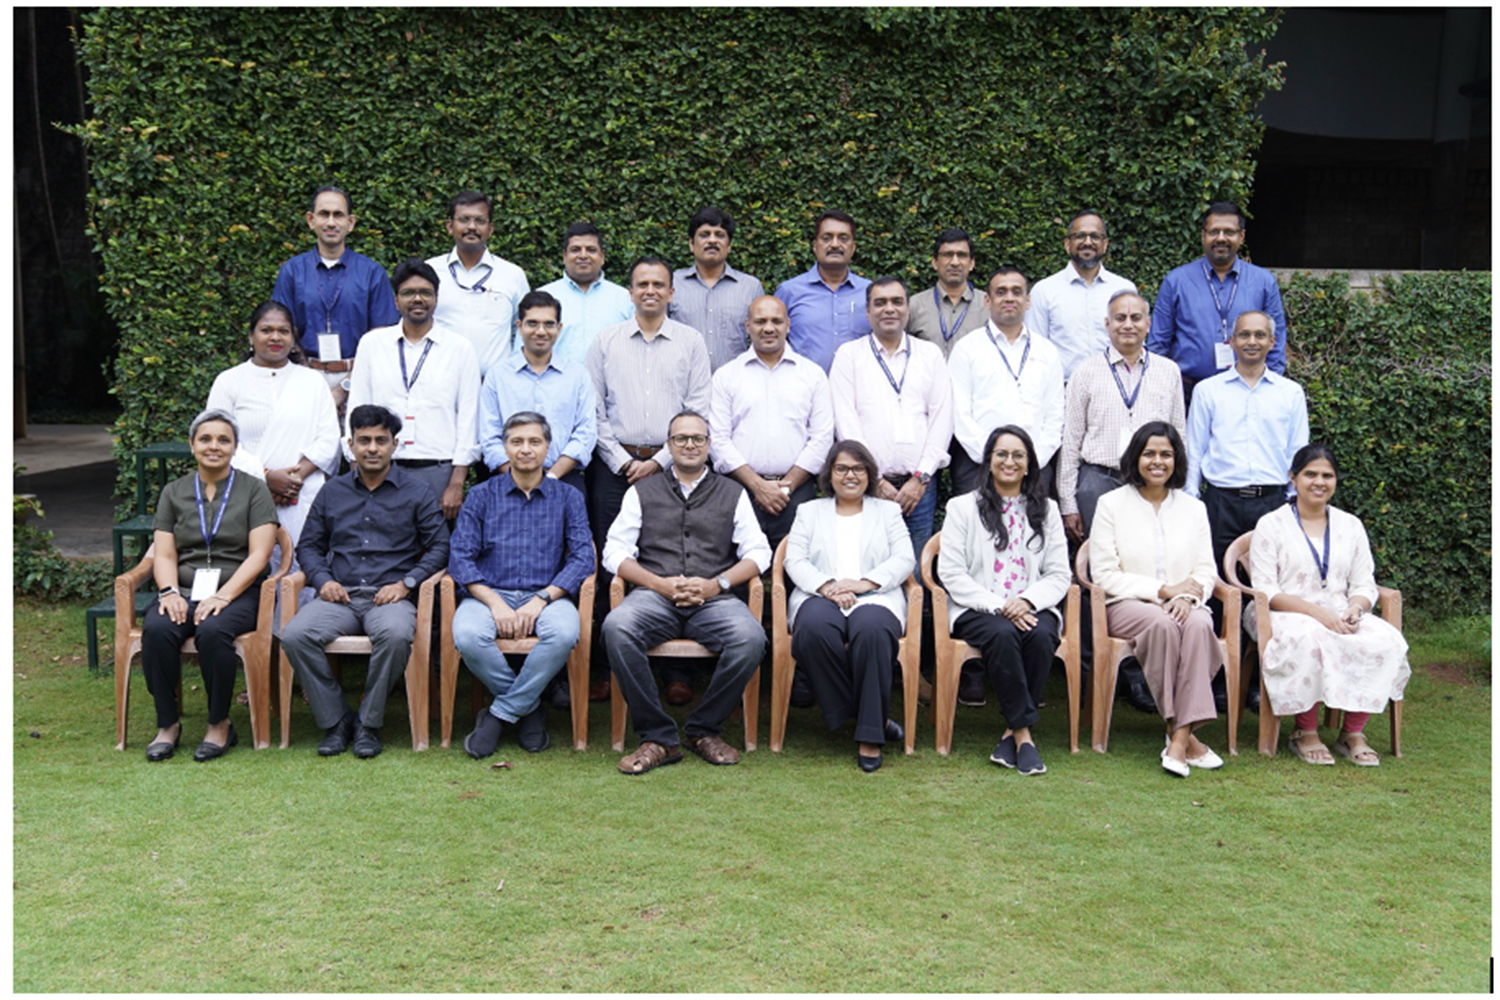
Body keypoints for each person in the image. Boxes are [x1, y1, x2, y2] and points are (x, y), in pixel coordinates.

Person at [601, 411, 771, 774]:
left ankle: (703, 729)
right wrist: (658, 583)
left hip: (715, 599)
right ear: (669, 445)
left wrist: (717, 584)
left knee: (750, 638)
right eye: (681, 438)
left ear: (709, 445)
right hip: (654, 596)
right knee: (617, 628)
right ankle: (657, 736)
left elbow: (759, 552)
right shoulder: (641, 491)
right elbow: (614, 551)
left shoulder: (732, 491)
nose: (690, 445)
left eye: (697, 438)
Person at [279, 405, 451, 759]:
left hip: (391, 598)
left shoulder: (416, 492)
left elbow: (439, 546)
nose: (372, 448)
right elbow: (309, 545)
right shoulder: (332, 492)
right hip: (338, 596)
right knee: (296, 636)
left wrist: (407, 583)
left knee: (396, 635)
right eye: (364, 441)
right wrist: (323, 580)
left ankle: (368, 724)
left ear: (394, 445)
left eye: (381, 441)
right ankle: (336, 720)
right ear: (350, 445)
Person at [585, 257, 711, 702]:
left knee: (677, 556)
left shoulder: (691, 342)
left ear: (672, 293)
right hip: (614, 468)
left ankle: (678, 673)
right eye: (642, 284)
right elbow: (593, 410)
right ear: (631, 291)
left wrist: (659, 461)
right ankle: (604, 666)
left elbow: (698, 406)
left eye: (660, 284)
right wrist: (622, 462)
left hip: (675, 467)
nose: (651, 291)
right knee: (609, 563)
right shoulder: (605, 342)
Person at [1057, 289, 1185, 714]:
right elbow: (1070, 441)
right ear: (1107, 325)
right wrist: (1068, 501)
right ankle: (1098, 668)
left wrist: (1177, 493)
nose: (1128, 324)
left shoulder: (1167, 372)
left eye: (1136, 317)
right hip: (1098, 480)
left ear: (1148, 324)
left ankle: (1144, 672)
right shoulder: (1086, 373)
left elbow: (1178, 437)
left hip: (1150, 485)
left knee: (1146, 568)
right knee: (1096, 576)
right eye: (1119, 318)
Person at [1248, 444, 1410, 767]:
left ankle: (1352, 733)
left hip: (1340, 609)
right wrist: (1319, 614)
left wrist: (1356, 608)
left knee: (1385, 640)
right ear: (1293, 478)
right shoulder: (1271, 524)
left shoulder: (1351, 525)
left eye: (1327, 475)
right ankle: (1305, 732)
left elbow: (1365, 582)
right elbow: (1265, 589)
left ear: (1336, 481)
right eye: (1310, 474)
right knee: (1312, 639)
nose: (1318, 482)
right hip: (1280, 612)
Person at [1185, 307, 1309, 712]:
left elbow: (1299, 453)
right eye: (1244, 335)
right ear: (1232, 342)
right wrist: (1192, 505)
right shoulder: (1209, 391)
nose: (1252, 342)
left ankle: (1261, 680)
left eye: (1260, 335)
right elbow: (1194, 449)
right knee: (1218, 593)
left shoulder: (1290, 393)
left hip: (1273, 504)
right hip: (1220, 501)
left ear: (1272, 343)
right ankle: (1218, 680)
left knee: (1267, 591)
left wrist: (1294, 507)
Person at [450, 412, 594, 758]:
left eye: (534, 441)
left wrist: (542, 599)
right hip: (488, 594)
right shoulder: (482, 496)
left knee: (563, 633)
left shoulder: (569, 497)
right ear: (505, 448)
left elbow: (582, 559)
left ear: (548, 447)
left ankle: (500, 713)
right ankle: (528, 709)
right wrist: (495, 604)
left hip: (546, 595)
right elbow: (461, 559)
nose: (525, 449)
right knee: (468, 636)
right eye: (517, 442)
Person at [139, 409, 278, 762]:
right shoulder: (173, 492)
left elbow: (260, 555)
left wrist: (223, 595)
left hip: (239, 592)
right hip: (184, 589)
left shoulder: (254, 489)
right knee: (156, 628)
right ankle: (167, 724)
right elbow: (165, 554)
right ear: (192, 445)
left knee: (214, 630)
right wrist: (169, 592)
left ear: (234, 447)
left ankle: (219, 724)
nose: (213, 446)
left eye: (223, 439)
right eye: (205, 439)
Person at [1090, 422, 1225, 778]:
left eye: (1166, 454)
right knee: (1163, 622)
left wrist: (1187, 597)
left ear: (1176, 459)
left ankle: (1178, 739)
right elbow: (1104, 574)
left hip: (1185, 603)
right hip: (1126, 604)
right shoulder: (1110, 504)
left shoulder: (1194, 508)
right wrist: (1164, 591)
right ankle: (1184, 737)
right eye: (1149, 453)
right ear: (1135, 457)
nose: (1157, 461)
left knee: (1197, 623)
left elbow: (1205, 570)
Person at [937, 426, 1070, 776]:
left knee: (1042, 635)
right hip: (977, 607)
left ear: (1029, 464)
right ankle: (1024, 735)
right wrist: (999, 605)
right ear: (989, 461)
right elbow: (951, 573)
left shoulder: (1048, 510)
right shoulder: (962, 508)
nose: (1009, 461)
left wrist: (1026, 600)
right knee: (1002, 633)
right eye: (1001, 454)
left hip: (1032, 606)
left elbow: (1059, 574)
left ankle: (1011, 732)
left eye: (1018, 455)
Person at [784, 440, 914, 772]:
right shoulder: (809, 511)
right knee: (813, 632)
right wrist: (827, 587)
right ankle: (872, 718)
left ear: (869, 474)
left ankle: (870, 737)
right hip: (819, 594)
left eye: (858, 468)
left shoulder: (888, 511)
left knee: (871, 632)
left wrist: (863, 584)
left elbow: (904, 559)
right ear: (830, 474)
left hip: (875, 595)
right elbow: (794, 560)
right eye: (842, 468)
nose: (850, 475)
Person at [828, 276, 953, 564]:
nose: (889, 309)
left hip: (920, 486)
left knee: (917, 567)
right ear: (868, 311)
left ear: (908, 309)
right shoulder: (849, 355)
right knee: (866, 562)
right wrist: (874, 478)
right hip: (866, 485)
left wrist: (921, 478)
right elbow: (845, 420)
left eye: (897, 302)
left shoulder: (929, 355)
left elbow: (942, 419)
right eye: (880, 303)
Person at [346, 258, 481, 522]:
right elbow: (357, 409)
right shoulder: (372, 344)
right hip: (381, 466)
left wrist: (457, 482)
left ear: (436, 299)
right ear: (396, 301)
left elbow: (468, 417)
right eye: (408, 293)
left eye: (426, 293)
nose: (417, 299)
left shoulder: (459, 348)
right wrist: (356, 468)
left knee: (432, 550)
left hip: (437, 468)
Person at [205, 301, 341, 551]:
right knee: (251, 573)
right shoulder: (228, 382)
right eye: (266, 330)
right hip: (245, 493)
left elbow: (329, 440)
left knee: (303, 572)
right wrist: (266, 478)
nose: (275, 337)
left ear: (293, 337)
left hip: (302, 495)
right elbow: (217, 441)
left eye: (284, 331)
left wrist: (293, 480)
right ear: (251, 336)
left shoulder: (313, 381)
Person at [708, 295, 833, 553]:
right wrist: (757, 486)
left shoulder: (812, 375)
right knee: (738, 578)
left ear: (788, 325)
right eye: (760, 321)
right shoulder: (726, 376)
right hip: (739, 491)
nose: (768, 328)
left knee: (795, 577)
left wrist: (785, 487)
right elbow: (718, 439)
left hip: (797, 494)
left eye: (776, 321)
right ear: (747, 326)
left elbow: (821, 438)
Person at [271, 186, 399, 412]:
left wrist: (343, 388)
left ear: (350, 223)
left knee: (360, 447)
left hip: (361, 380)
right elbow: (281, 332)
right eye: (324, 214)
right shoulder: (292, 272)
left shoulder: (372, 273)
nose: (331, 222)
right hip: (303, 378)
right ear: (311, 220)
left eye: (338, 215)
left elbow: (383, 339)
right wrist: (310, 380)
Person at [1147, 201, 1288, 406]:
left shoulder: (1264, 282)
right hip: (1187, 392)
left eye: (1229, 232)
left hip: (1247, 391)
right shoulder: (1176, 281)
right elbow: (1158, 343)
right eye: (1214, 232)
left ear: (1241, 236)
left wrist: (1268, 389)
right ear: (1203, 236)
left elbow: (1276, 341)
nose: (1221, 238)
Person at [948, 267, 1065, 496]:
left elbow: (1055, 415)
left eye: (1016, 291)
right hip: (978, 467)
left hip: (1036, 468)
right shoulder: (966, 349)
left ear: (1028, 300)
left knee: (1034, 532)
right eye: (1001, 292)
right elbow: (959, 414)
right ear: (988, 301)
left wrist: (1033, 459)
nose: (1009, 297)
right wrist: (994, 458)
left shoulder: (1047, 351)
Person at [478, 290, 596, 496]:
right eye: (532, 323)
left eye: (549, 324)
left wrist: (550, 478)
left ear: (559, 329)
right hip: (508, 483)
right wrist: (521, 480)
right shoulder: (497, 376)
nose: (541, 331)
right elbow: (489, 437)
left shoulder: (578, 375)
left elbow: (585, 434)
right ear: (519, 326)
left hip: (564, 481)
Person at [424, 190, 530, 381]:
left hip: (495, 385)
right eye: (464, 219)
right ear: (450, 226)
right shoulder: (429, 271)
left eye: (480, 221)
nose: (471, 227)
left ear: (490, 229)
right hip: (439, 382)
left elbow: (522, 329)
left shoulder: (512, 275)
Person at [1025, 210, 1139, 381]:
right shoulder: (1044, 291)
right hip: (1062, 391)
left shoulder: (1124, 289)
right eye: (1080, 236)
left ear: (1105, 244)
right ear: (1067, 244)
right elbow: (1034, 352)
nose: (1088, 242)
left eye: (1095, 236)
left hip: (1117, 390)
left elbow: (1136, 345)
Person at [668, 206, 767, 371]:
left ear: (729, 246)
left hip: (735, 387)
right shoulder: (672, 283)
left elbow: (763, 338)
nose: (712, 240)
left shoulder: (750, 287)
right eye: (704, 235)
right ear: (691, 244)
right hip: (682, 386)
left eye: (720, 235)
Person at [774, 210, 872, 372]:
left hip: (858, 391)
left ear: (853, 248)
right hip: (803, 390)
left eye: (843, 238)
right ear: (815, 246)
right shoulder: (790, 291)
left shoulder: (870, 293)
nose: (835, 244)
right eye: (826, 238)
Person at [539, 221, 635, 365]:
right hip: (555, 386)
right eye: (575, 250)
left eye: (591, 250)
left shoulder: (625, 299)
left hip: (611, 386)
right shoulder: (542, 297)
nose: (583, 256)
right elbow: (523, 351)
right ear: (564, 256)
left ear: (602, 256)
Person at [907, 227, 987, 358]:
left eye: (961, 255)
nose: (955, 262)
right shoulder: (914, 306)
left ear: (971, 263)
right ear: (935, 263)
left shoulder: (988, 306)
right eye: (947, 255)